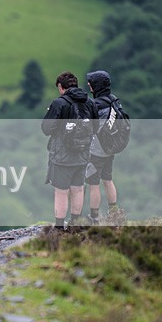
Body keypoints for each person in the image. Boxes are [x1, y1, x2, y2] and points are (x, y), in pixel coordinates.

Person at [41, 72, 98, 231]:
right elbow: (96, 127)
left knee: (61, 191)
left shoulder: (59, 103)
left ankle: (59, 227)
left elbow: (46, 128)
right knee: (78, 188)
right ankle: (75, 224)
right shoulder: (90, 103)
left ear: (61, 86)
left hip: (62, 156)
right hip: (82, 155)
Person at [85, 70, 124, 225]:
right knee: (108, 179)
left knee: (93, 183)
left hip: (96, 150)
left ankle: (94, 217)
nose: (89, 85)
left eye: (91, 83)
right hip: (110, 148)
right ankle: (114, 213)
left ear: (97, 85)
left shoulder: (96, 105)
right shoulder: (113, 100)